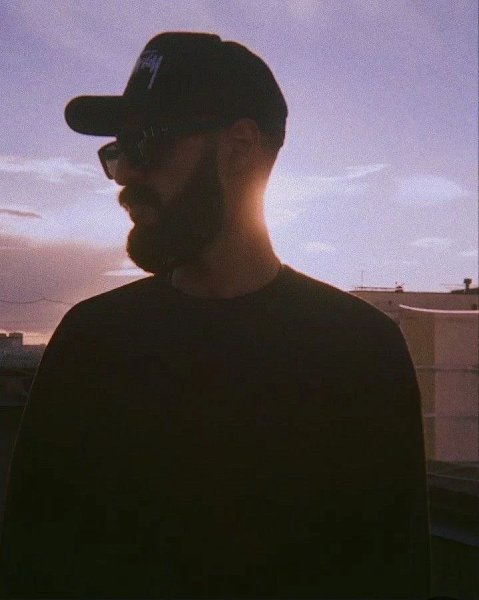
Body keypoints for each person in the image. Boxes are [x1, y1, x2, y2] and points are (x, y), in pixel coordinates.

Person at [0, 32, 431, 598]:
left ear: (240, 146)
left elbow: (392, 574)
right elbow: (30, 564)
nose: (124, 174)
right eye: (118, 149)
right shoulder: (91, 341)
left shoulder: (360, 352)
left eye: (146, 142)